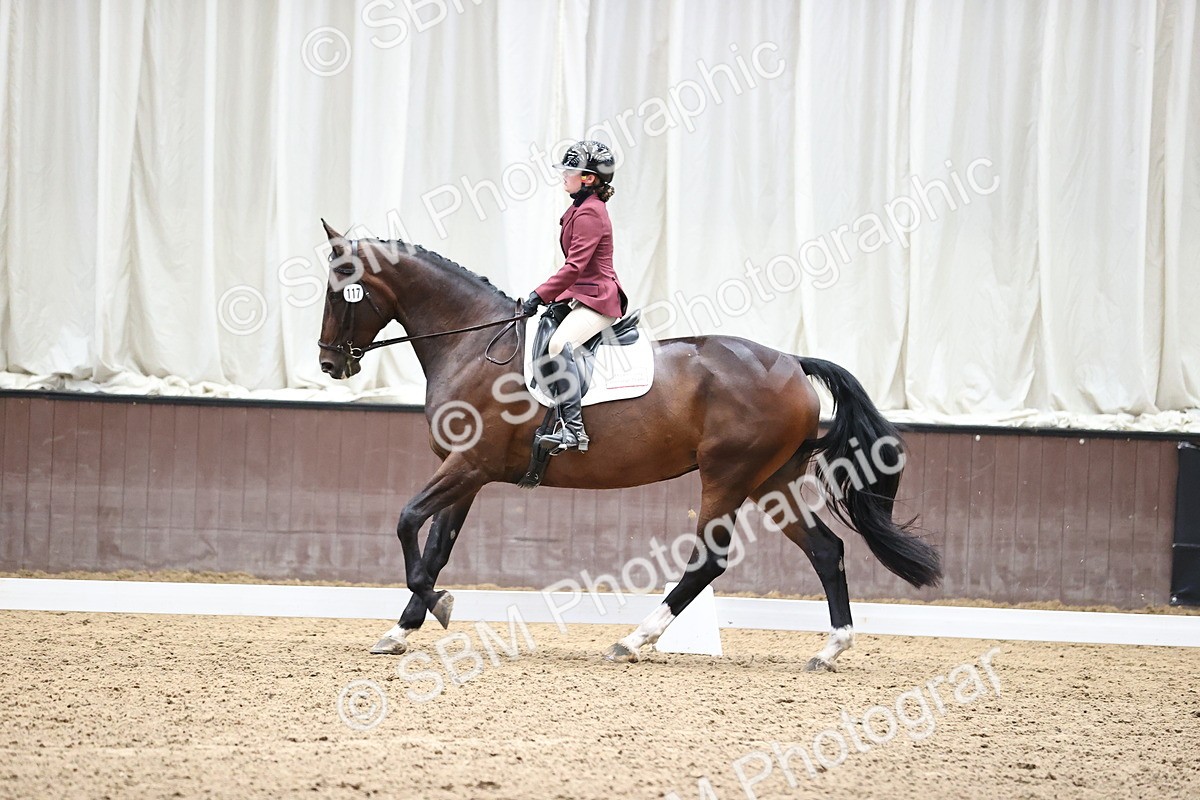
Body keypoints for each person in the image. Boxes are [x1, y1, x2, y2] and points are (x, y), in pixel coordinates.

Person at [520, 140, 628, 453]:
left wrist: (539, 294)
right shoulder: (579, 208)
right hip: (581, 295)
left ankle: (573, 430)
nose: (564, 175)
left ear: (589, 178)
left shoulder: (590, 213)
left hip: (599, 299)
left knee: (558, 345)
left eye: (571, 171)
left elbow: (575, 267)